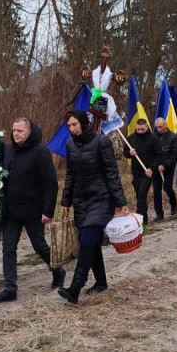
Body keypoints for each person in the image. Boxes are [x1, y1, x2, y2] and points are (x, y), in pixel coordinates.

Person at [58, 109, 129, 304]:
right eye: (69, 126)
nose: (72, 129)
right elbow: (70, 174)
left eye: (75, 124)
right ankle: (101, 282)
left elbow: (112, 174)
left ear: (84, 123)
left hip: (102, 198)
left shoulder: (101, 142)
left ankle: (75, 287)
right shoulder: (70, 144)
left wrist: (121, 202)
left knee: (88, 238)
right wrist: (66, 201)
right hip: (82, 200)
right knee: (91, 241)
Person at [0, 118, 63, 304]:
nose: (16, 134)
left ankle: (57, 271)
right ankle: (10, 288)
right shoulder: (7, 150)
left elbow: (51, 183)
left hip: (33, 210)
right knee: (8, 248)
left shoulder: (40, 152)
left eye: (20, 131)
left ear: (29, 132)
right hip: (11, 211)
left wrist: (48, 210)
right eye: (14, 130)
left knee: (39, 245)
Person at [122, 118, 161, 227]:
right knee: (139, 195)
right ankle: (145, 217)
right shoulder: (131, 138)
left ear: (147, 127)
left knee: (142, 194)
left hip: (148, 172)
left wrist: (152, 168)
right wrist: (129, 153)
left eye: (142, 130)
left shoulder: (153, 138)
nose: (139, 131)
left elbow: (159, 156)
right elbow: (125, 152)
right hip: (136, 171)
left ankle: (140, 219)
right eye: (138, 129)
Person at [153, 118, 177, 220]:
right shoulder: (154, 137)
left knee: (167, 187)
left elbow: (176, 154)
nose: (158, 129)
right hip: (156, 168)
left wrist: (165, 165)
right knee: (156, 190)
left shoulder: (173, 137)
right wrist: (155, 165)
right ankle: (159, 213)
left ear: (166, 125)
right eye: (157, 127)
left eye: (160, 127)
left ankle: (173, 204)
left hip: (168, 168)